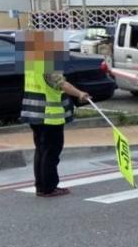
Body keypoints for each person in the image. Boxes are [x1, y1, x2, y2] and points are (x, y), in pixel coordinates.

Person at [21, 30, 92, 198]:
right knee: (51, 152)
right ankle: (49, 187)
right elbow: (62, 84)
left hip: (34, 115)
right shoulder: (48, 65)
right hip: (49, 116)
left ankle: (40, 186)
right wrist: (80, 94)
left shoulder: (32, 63)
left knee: (41, 150)